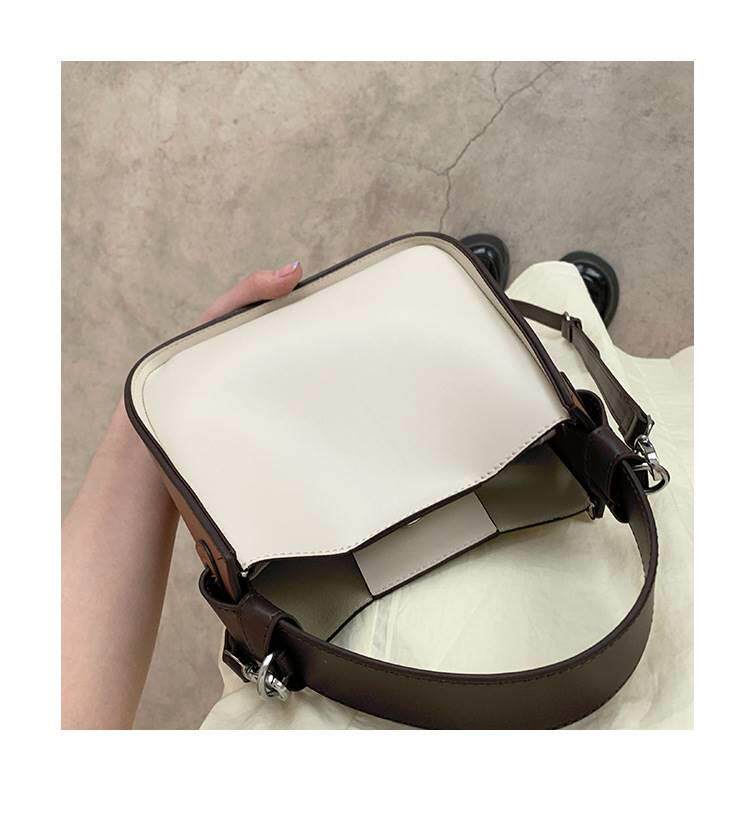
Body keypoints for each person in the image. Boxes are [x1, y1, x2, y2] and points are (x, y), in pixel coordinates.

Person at [61, 239, 619, 729]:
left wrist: (155, 410)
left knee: (449, 324)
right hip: (504, 507)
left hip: (310, 632)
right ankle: (458, 320)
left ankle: (462, 316)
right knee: (457, 327)